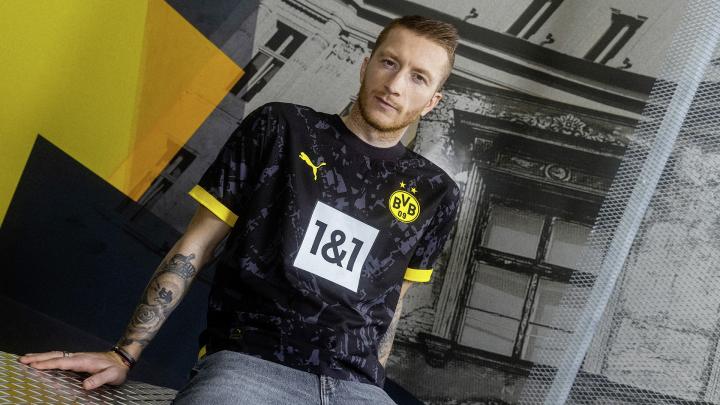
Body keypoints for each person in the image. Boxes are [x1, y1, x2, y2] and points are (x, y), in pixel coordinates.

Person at [19, 15, 460, 404]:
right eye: (389, 62)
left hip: (356, 388)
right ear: (366, 65)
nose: (395, 85)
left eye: (419, 78)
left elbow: (392, 306)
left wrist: (371, 386)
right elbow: (196, 244)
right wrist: (125, 353)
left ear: (432, 101)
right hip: (250, 367)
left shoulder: (436, 192)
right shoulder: (280, 128)